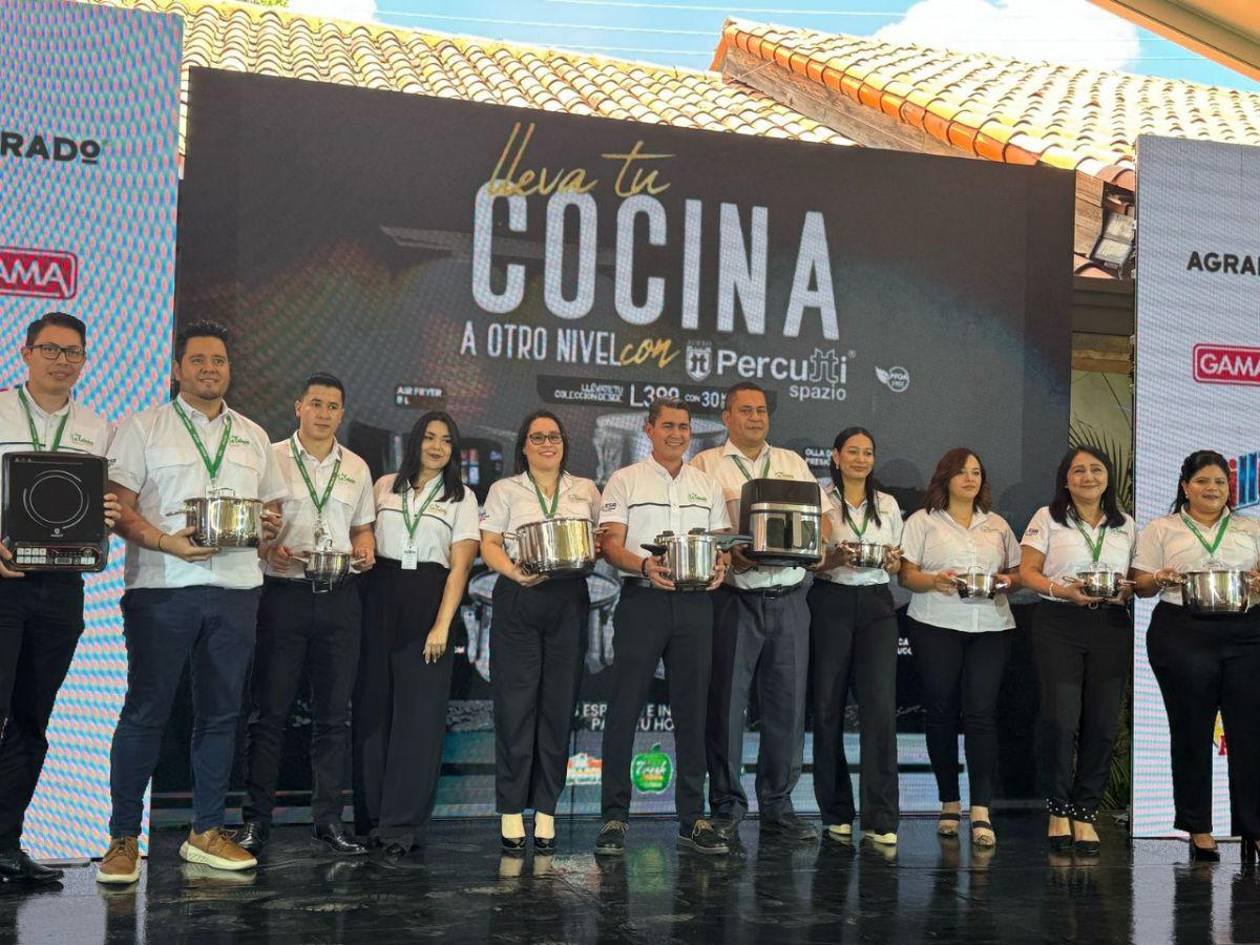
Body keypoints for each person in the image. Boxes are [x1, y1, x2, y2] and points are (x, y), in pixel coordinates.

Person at [96, 320, 285, 884]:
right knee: (145, 712)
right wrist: (166, 541)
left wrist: (268, 527)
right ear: (177, 368)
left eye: (219, 360)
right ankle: (123, 838)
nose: (210, 369)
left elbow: (271, 512)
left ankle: (205, 831)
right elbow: (118, 507)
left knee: (222, 715)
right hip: (161, 588)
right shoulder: (142, 427)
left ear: (230, 369)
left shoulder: (253, 435)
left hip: (237, 590)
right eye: (198, 360)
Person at [0, 312, 118, 884]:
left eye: (73, 352)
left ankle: (6, 845)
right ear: (25, 353)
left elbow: (97, 507)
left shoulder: (97, 427)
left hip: (63, 588)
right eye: (50, 349)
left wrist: (107, 518)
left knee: (32, 720)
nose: (62, 361)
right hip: (3, 583)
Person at [237, 374, 376, 857]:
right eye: (315, 403)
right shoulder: (269, 457)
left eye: (333, 406)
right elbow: (254, 526)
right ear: (298, 407)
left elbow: (362, 530)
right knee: (268, 715)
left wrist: (365, 548)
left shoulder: (356, 467)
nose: (323, 413)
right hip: (283, 595)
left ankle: (328, 821)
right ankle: (256, 822)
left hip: (340, 596)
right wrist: (266, 547)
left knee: (334, 718)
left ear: (342, 414)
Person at [593, 398, 731, 857]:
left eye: (683, 427)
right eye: (667, 426)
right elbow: (611, 544)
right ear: (649, 430)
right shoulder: (625, 479)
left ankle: (693, 819)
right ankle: (614, 816)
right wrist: (643, 565)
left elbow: (721, 544)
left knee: (693, 712)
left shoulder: (705, 484)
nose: (676, 434)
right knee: (624, 708)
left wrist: (721, 565)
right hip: (643, 601)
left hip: (696, 603)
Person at [691, 381, 821, 843]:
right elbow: (698, 531)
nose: (755, 417)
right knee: (727, 707)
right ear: (726, 417)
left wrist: (815, 547)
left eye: (761, 410)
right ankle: (727, 805)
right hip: (734, 599)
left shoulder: (792, 462)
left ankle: (778, 806)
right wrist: (730, 553)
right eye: (745, 410)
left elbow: (818, 522)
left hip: (790, 598)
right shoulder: (704, 465)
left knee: (788, 707)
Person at [352, 411, 479, 856]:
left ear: (454, 449)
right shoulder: (385, 486)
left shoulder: (462, 497)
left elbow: (460, 568)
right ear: (415, 442)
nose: (437, 446)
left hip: (429, 602)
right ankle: (370, 819)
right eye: (429, 437)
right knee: (372, 711)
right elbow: (362, 536)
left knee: (418, 719)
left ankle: (401, 825)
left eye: (446, 440)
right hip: (378, 596)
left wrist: (441, 625)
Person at [1131, 449, 1260, 865]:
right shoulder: (1161, 528)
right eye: (1202, 481)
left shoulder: (1251, 527)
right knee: (1190, 729)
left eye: (1220, 482)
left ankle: (1254, 828)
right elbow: (1140, 585)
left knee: (1251, 732)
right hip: (1182, 631)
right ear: (1185, 486)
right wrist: (1158, 577)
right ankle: (1198, 827)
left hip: (1248, 631)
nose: (1212, 488)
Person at [480, 410, 600, 853]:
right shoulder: (505, 489)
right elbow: (489, 544)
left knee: (558, 707)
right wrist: (514, 571)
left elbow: (599, 541)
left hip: (569, 598)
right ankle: (512, 811)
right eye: (537, 437)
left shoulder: (585, 489)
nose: (547, 444)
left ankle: (546, 810)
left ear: (564, 444)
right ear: (524, 446)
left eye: (554, 437)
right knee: (515, 707)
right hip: (519, 595)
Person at [898, 448, 1021, 848]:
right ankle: (949, 803)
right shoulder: (922, 521)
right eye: (962, 472)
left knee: (982, 715)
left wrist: (1007, 581)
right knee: (941, 713)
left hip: (991, 625)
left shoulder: (997, 524)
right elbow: (906, 575)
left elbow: (1018, 573)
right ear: (945, 477)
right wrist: (934, 580)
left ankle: (981, 809)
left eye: (976, 472)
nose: (970, 479)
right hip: (935, 623)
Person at [1019, 447, 1135, 856]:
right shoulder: (1047, 517)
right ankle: (1058, 809)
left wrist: (1129, 589)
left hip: (1110, 624)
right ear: (1065, 480)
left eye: (1096, 470)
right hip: (1058, 622)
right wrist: (1062, 590)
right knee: (1061, 720)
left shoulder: (1126, 525)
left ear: (1108, 477)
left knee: (1101, 724)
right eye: (1079, 471)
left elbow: (1134, 578)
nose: (1088, 477)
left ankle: (1085, 812)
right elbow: (1027, 572)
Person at [810, 427, 903, 846]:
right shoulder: (819, 498)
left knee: (879, 710)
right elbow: (810, 560)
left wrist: (893, 561)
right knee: (827, 707)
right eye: (852, 451)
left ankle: (881, 817)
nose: (860, 459)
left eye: (867, 452)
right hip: (830, 601)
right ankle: (836, 811)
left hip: (877, 606)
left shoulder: (888, 504)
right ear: (835, 456)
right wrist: (833, 557)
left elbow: (897, 563)